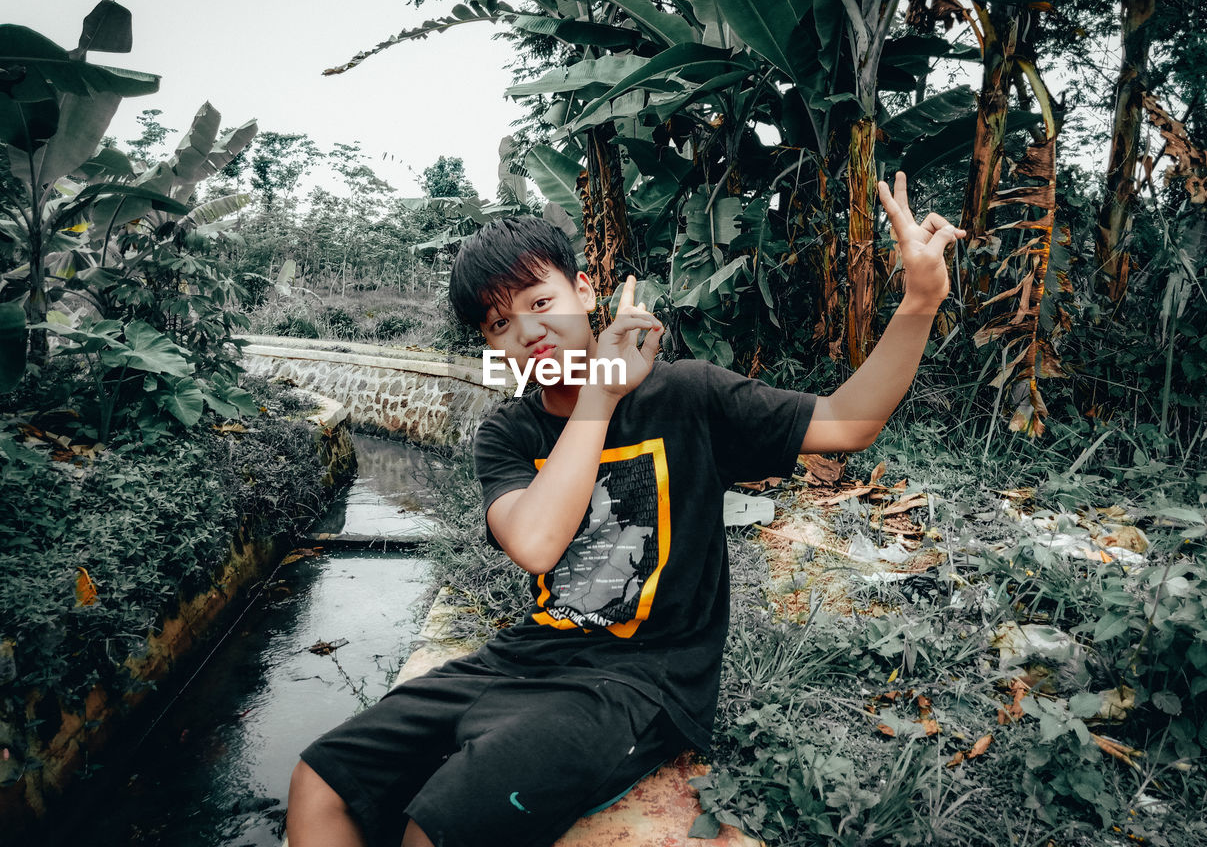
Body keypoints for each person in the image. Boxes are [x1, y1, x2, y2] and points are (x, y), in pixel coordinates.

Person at [286, 172, 966, 847]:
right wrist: (601, 393)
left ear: (584, 292)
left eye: (539, 299)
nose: (526, 330)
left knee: (433, 829)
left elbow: (846, 422)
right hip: (525, 656)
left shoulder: (688, 396)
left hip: (642, 678)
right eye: (500, 323)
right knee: (320, 781)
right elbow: (535, 543)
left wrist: (919, 302)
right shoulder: (509, 433)